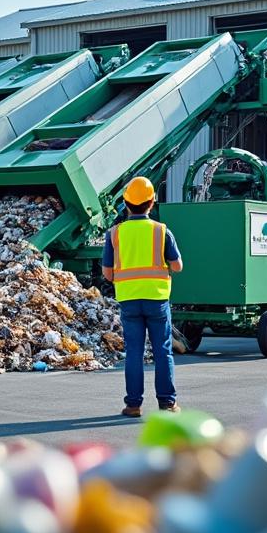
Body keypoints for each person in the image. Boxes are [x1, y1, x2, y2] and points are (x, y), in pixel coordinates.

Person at [102, 176, 185, 417]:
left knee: (134, 352)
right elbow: (178, 266)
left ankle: (133, 404)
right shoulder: (161, 231)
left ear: (126, 204)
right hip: (157, 300)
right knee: (162, 351)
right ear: (152, 203)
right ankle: (167, 404)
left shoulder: (115, 233)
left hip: (129, 300)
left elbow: (108, 274)